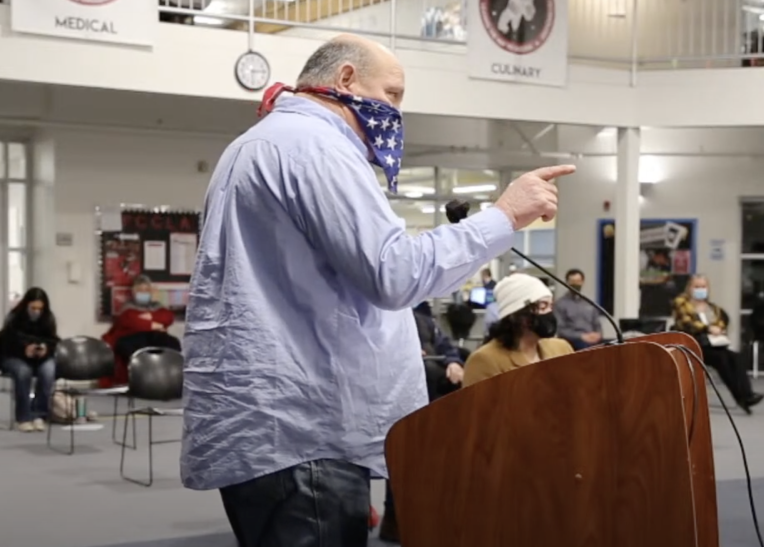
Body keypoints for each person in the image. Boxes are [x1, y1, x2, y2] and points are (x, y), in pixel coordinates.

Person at [180, 33, 575, 547]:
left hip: (283, 427)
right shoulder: (314, 146)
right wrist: (503, 217)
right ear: (345, 79)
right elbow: (394, 273)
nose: (395, 113)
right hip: (305, 433)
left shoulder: (264, 142)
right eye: (392, 94)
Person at [379, 302, 465, 542]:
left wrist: (453, 361)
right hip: (398, 397)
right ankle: (396, 520)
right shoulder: (386, 314)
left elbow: (447, 346)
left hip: (432, 397)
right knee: (403, 459)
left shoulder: (425, 319)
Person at [671, 274, 764, 414]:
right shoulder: (682, 303)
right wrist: (708, 328)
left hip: (712, 344)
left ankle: (747, 394)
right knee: (721, 359)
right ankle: (740, 397)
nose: (700, 289)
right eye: (697, 286)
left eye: (703, 286)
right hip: (692, 344)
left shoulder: (712, 308)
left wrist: (718, 328)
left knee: (735, 357)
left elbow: (722, 320)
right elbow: (687, 323)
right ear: (689, 288)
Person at [463, 273, 573, 387]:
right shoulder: (485, 360)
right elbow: (478, 404)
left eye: (551, 305)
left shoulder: (562, 348)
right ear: (518, 314)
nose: (549, 313)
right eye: (543, 306)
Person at [100, 274, 180, 387]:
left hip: (153, 337)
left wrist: (149, 318)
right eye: (140, 290)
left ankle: (168, 379)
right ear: (134, 292)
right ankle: (143, 380)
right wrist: (155, 325)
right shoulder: (127, 307)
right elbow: (133, 321)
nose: (143, 292)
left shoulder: (157, 305)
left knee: (172, 343)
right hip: (131, 338)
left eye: (146, 289)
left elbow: (168, 317)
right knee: (134, 347)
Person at [0, 288, 59, 432]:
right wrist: (24, 349)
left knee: (48, 371)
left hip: (39, 358)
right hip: (13, 357)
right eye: (33, 308)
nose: (36, 311)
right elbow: (6, 343)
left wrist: (45, 349)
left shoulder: (48, 318)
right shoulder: (14, 317)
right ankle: (24, 417)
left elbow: (53, 340)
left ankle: (39, 415)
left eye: (40, 308)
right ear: (26, 305)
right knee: (23, 372)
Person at [554, 268, 603, 351]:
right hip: (573, 341)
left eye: (578, 281)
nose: (576, 284)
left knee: (613, 346)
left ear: (582, 282)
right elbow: (560, 329)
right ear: (567, 283)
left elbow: (597, 324)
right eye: (573, 282)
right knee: (587, 348)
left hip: (593, 339)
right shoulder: (560, 304)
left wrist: (598, 334)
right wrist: (581, 336)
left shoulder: (589, 302)